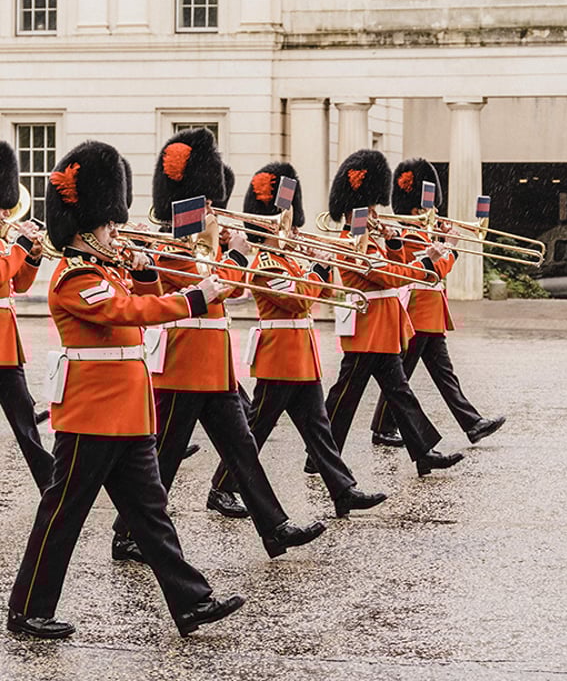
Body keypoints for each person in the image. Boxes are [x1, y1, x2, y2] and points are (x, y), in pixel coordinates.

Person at [7, 140, 243, 639]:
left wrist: (146, 272)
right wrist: (195, 299)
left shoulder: (106, 272)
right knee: (63, 514)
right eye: (109, 225)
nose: (116, 231)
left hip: (128, 415)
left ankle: (191, 602)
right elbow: (128, 313)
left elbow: (142, 298)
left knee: (151, 515)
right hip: (93, 415)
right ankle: (27, 609)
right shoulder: (75, 278)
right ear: (86, 228)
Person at [112, 128, 325, 562]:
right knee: (164, 457)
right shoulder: (170, 248)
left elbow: (234, 291)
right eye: (206, 201)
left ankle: (274, 528)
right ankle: (126, 533)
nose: (212, 209)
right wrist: (236, 257)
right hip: (184, 365)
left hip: (215, 368)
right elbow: (207, 287)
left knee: (242, 449)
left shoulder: (204, 245)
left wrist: (230, 253)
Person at [219, 162, 387, 517]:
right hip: (280, 358)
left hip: (301, 356)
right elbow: (298, 300)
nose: (292, 229)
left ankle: (343, 490)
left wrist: (319, 267)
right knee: (255, 429)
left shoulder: (287, 260)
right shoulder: (266, 264)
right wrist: (319, 268)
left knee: (319, 430)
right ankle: (221, 486)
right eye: (285, 222)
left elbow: (316, 294)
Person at [308, 149, 464, 478]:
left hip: (383, 328)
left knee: (400, 393)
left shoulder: (370, 240)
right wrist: (427, 261)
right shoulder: (353, 242)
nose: (377, 214)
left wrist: (393, 244)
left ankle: (423, 452)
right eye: (372, 208)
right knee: (344, 397)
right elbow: (389, 277)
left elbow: (392, 267)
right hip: (367, 330)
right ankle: (319, 456)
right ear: (358, 209)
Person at [370, 158, 506, 447]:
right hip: (417, 311)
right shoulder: (409, 235)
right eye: (428, 207)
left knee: (445, 377)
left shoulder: (424, 233)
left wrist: (444, 242)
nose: (434, 211)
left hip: (430, 314)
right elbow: (433, 271)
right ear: (415, 209)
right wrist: (452, 250)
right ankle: (382, 428)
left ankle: (472, 424)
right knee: (400, 377)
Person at [0, 140, 54, 492]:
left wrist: (31, 255)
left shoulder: (3, 242)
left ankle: (49, 481)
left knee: (24, 422)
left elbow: (17, 283)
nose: (6, 213)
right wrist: (19, 247)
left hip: (5, 348)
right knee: (23, 419)